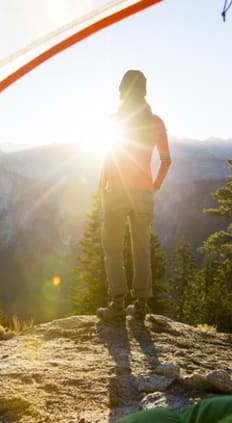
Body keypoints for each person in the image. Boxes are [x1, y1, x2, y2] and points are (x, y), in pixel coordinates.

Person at [96, 69, 171, 323]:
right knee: (141, 249)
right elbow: (166, 160)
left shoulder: (114, 120)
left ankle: (117, 304)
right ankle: (140, 305)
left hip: (116, 193)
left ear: (122, 91)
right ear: (145, 92)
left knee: (112, 248)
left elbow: (108, 159)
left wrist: (101, 191)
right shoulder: (157, 122)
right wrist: (155, 185)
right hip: (144, 194)